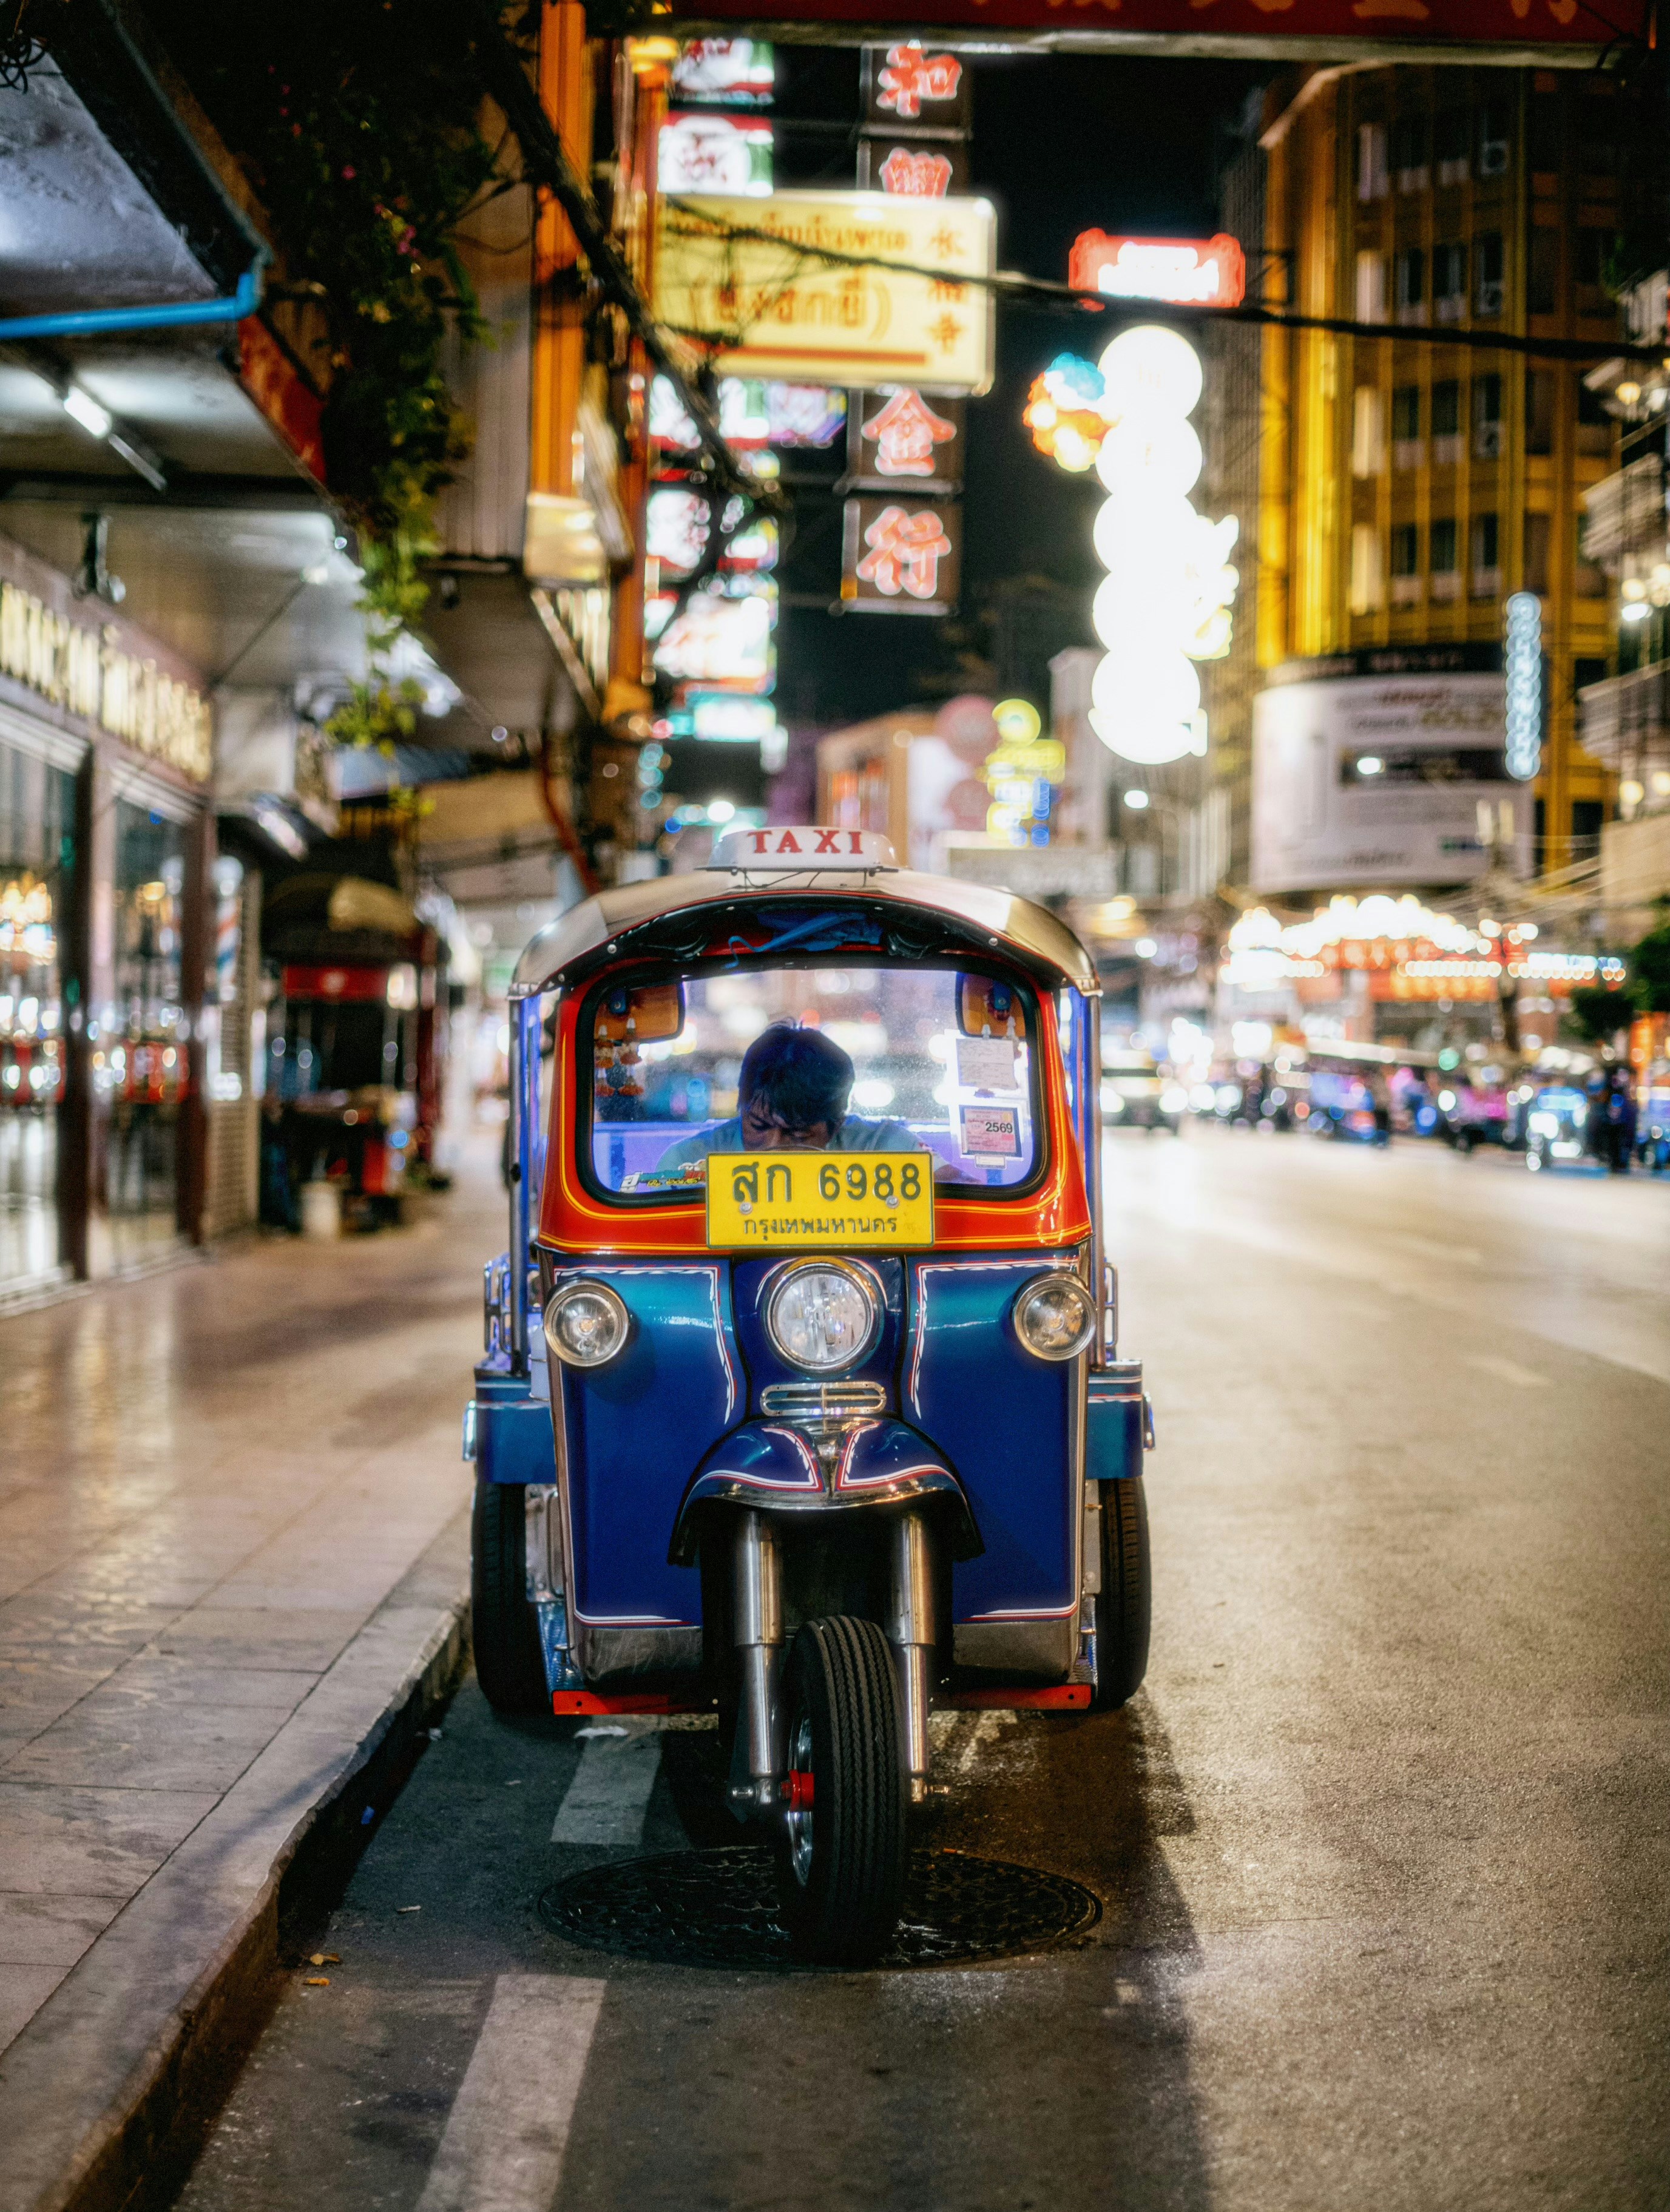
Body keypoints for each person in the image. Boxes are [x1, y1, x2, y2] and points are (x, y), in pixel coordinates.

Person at [654, 1021, 921, 1172]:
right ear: (741, 1108)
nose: (773, 1147)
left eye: (798, 1134)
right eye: (759, 1126)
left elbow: (956, 1188)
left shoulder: (883, 1147)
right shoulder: (687, 1161)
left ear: (838, 1123)